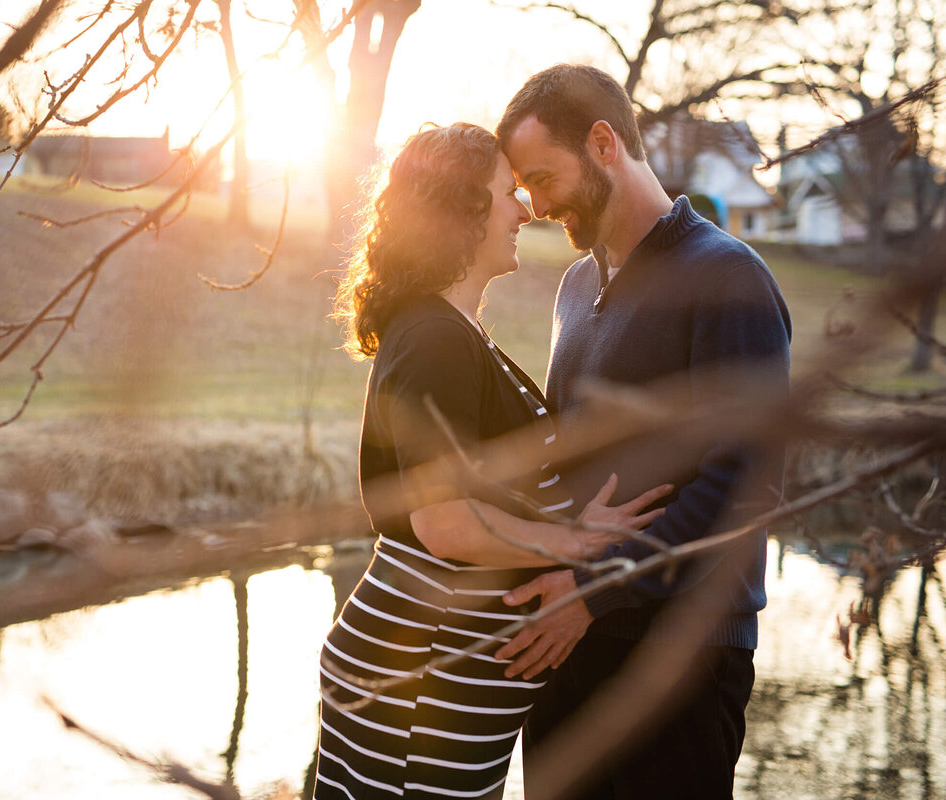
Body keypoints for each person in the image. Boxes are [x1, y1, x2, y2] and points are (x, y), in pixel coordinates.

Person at [312, 122, 673, 800]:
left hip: (439, 677)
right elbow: (443, 518)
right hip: (418, 678)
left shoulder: (457, 334)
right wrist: (569, 540)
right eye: (507, 193)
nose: (525, 209)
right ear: (460, 212)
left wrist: (569, 519)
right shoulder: (434, 340)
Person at [493, 65, 792, 799]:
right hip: (571, 652)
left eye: (541, 177)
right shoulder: (574, 286)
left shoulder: (728, 277)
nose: (532, 205)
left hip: (677, 666)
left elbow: (745, 486)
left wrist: (591, 591)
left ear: (602, 143)